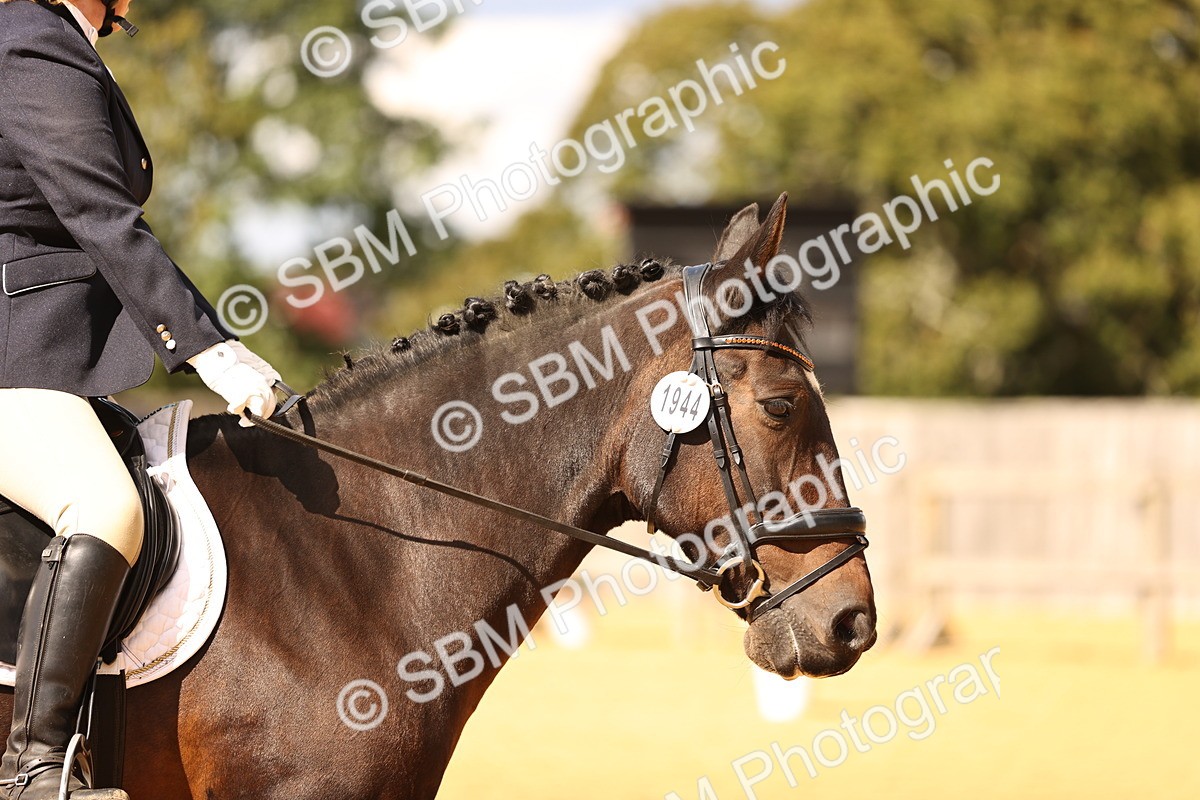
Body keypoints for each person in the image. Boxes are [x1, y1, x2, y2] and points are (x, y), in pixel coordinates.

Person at [0, 0, 282, 796]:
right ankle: (33, 769)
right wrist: (209, 348)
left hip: (47, 355)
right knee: (104, 505)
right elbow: (100, 215)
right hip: (13, 352)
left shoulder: (49, 37)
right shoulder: (27, 40)